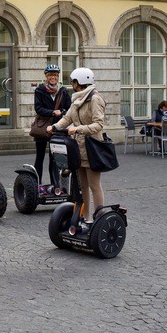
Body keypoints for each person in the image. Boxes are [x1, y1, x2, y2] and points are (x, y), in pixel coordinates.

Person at [46, 68, 106, 226]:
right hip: (78, 148)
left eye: (73, 81)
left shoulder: (95, 98)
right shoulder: (77, 99)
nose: (71, 84)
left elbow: (99, 125)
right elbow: (67, 118)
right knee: (82, 185)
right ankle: (86, 217)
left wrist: (78, 129)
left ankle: (99, 218)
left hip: (93, 147)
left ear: (80, 82)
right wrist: (54, 127)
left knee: (94, 184)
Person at [33, 64, 71, 194]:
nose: (53, 77)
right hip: (43, 128)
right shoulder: (40, 90)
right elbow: (38, 108)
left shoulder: (63, 91)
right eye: (50, 75)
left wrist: (62, 112)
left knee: (55, 157)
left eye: (55, 75)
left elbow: (69, 108)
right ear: (46, 76)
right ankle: (37, 184)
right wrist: (52, 112)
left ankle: (55, 185)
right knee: (40, 156)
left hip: (57, 127)